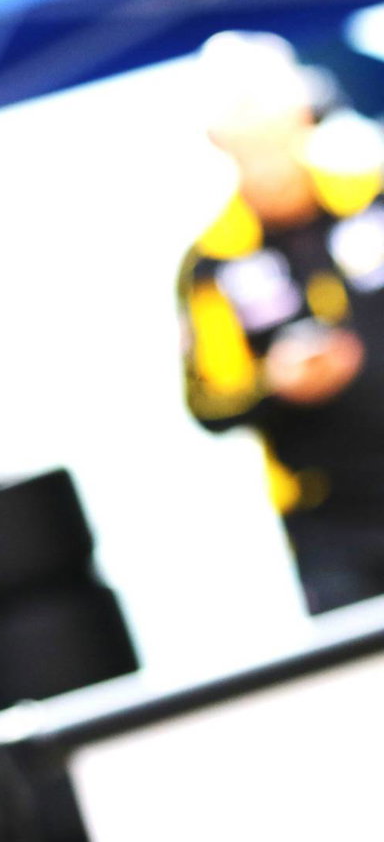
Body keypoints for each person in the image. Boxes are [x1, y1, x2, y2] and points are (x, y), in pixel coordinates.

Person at [179, 30, 384, 615]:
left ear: (303, 113)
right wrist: (278, 384)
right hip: (332, 522)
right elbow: (209, 402)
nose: (260, 135)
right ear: (216, 137)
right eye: (241, 121)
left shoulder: (374, 199)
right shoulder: (213, 263)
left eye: (268, 113)